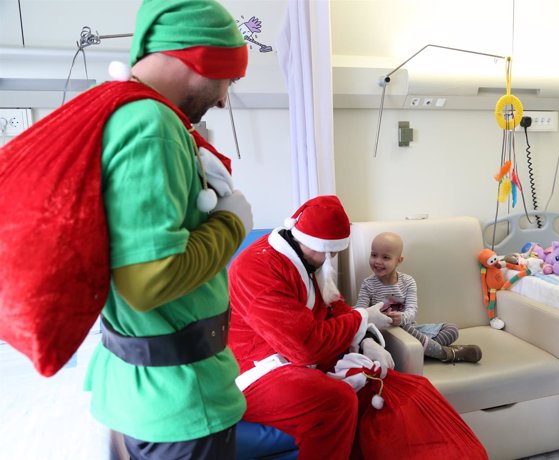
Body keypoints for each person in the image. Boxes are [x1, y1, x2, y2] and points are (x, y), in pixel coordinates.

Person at [76, 1, 253, 458]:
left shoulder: (118, 106)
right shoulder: (153, 126)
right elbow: (147, 280)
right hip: (179, 400)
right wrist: (232, 222)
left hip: (142, 388)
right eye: (228, 81)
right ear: (199, 59)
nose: (222, 99)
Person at [228, 195, 487, 460]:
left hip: (301, 354)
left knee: (393, 385)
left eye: (335, 252)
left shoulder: (309, 258)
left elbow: (334, 305)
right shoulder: (257, 269)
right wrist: (362, 319)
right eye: (327, 252)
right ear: (311, 241)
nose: (330, 258)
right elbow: (304, 347)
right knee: (335, 401)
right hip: (258, 368)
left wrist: (364, 339)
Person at [356, 232, 482, 363]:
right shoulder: (368, 284)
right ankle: (446, 353)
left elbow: (412, 311)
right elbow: (361, 313)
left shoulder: (408, 281)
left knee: (451, 329)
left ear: (399, 261)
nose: (378, 261)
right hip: (384, 335)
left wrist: (402, 318)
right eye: (374, 255)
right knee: (400, 329)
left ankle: (423, 350)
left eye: (386, 257)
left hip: (410, 331)